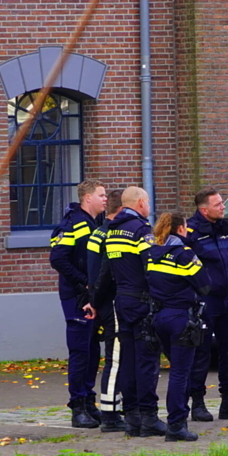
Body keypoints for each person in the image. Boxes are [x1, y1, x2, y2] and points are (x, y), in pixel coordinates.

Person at [185, 187, 228, 421]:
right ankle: (198, 403)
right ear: (204, 210)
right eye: (218, 204)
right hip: (205, 301)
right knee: (202, 352)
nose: (223, 207)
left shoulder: (222, 228)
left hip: (227, 297)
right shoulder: (192, 232)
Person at [104, 186, 167, 437]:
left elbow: (108, 271)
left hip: (122, 301)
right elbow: (152, 267)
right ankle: (149, 417)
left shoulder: (112, 231)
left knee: (127, 362)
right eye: (148, 202)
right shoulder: (141, 231)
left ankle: (131, 418)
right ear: (140, 203)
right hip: (142, 303)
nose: (149, 207)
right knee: (147, 361)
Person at [144, 212, 212, 441]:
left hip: (159, 318)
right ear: (181, 229)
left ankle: (173, 421)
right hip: (181, 318)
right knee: (180, 374)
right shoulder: (184, 254)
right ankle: (176, 425)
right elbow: (205, 286)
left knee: (176, 370)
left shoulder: (153, 254)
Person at [49, 179, 106, 429]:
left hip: (92, 296)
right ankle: (77, 407)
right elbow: (58, 259)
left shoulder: (97, 223)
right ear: (87, 198)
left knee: (93, 351)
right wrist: (84, 283)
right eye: (101, 195)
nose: (105, 199)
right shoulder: (73, 223)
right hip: (76, 297)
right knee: (80, 351)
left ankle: (89, 401)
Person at [85, 187, 125, 432]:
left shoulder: (97, 234)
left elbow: (92, 272)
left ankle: (115, 410)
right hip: (114, 303)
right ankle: (110, 415)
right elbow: (104, 274)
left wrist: (94, 300)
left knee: (115, 359)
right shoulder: (111, 235)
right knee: (116, 359)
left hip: (104, 302)